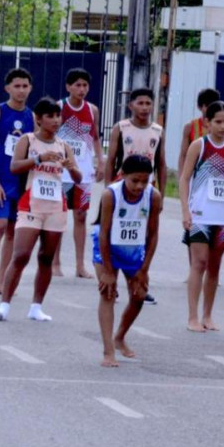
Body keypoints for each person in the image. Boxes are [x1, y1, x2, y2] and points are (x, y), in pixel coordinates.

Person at [0, 98, 82, 322]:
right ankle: (4, 304)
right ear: (38, 119)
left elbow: (78, 177)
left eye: (57, 116)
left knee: (46, 257)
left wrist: (72, 169)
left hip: (55, 206)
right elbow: (14, 167)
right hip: (31, 203)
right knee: (21, 254)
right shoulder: (28, 140)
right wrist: (38, 159)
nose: (55, 121)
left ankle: (36, 306)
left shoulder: (64, 146)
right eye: (50, 116)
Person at [179, 101, 224, 332]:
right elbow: (184, 178)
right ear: (207, 123)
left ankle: (208, 315)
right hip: (200, 215)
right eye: (218, 122)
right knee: (199, 263)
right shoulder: (199, 146)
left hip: (222, 217)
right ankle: (192, 316)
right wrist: (186, 211)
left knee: (215, 268)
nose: (223, 126)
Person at [93, 155, 163, 367]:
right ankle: (108, 351)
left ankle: (120, 336)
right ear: (123, 176)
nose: (139, 186)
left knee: (139, 295)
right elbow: (104, 233)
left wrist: (144, 269)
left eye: (145, 181)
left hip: (133, 250)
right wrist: (107, 270)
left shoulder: (153, 196)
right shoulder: (110, 195)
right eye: (135, 181)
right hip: (107, 248)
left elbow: (153, 235)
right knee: (108, 293)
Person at [103, 87, 166, 305]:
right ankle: (111, 276)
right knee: (115, 232)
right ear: (131, 105)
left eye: (148, 103)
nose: (144, 108)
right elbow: (111, 159)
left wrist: (163, 195)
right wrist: (108, 187)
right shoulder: (121, 128)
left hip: (146, 190)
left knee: (141, 235)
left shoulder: (157, 130)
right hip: (122, 187)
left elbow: (161, 164)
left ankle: (138, 279)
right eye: (140, 103)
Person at [0, 68, 34, 297]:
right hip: (0, 178)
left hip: (21, 182)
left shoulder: (31, 117)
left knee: (13, 231)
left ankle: (2, 279)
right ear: (7, 88)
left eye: (25, 86)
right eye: (17, 86)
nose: (21, 90)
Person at [52, 69, 103, 279]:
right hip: (61, 172)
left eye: (85, 85)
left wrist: (100, 160)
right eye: (77, 85)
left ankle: (80, 265)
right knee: (58, 216)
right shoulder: (59, 107)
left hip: (83, 172)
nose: (81, 90)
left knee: (81, 216)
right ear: (68, 87)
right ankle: (55, 263)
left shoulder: (92, 110)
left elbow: (96, 137)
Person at [177, 88, 220, 176]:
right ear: (200, 107)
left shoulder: (223, 128)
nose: (211, 109)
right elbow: (183, 155)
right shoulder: (190, 127)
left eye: (214, 105)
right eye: (208, 105)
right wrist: (181, 177)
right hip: (195, 174)